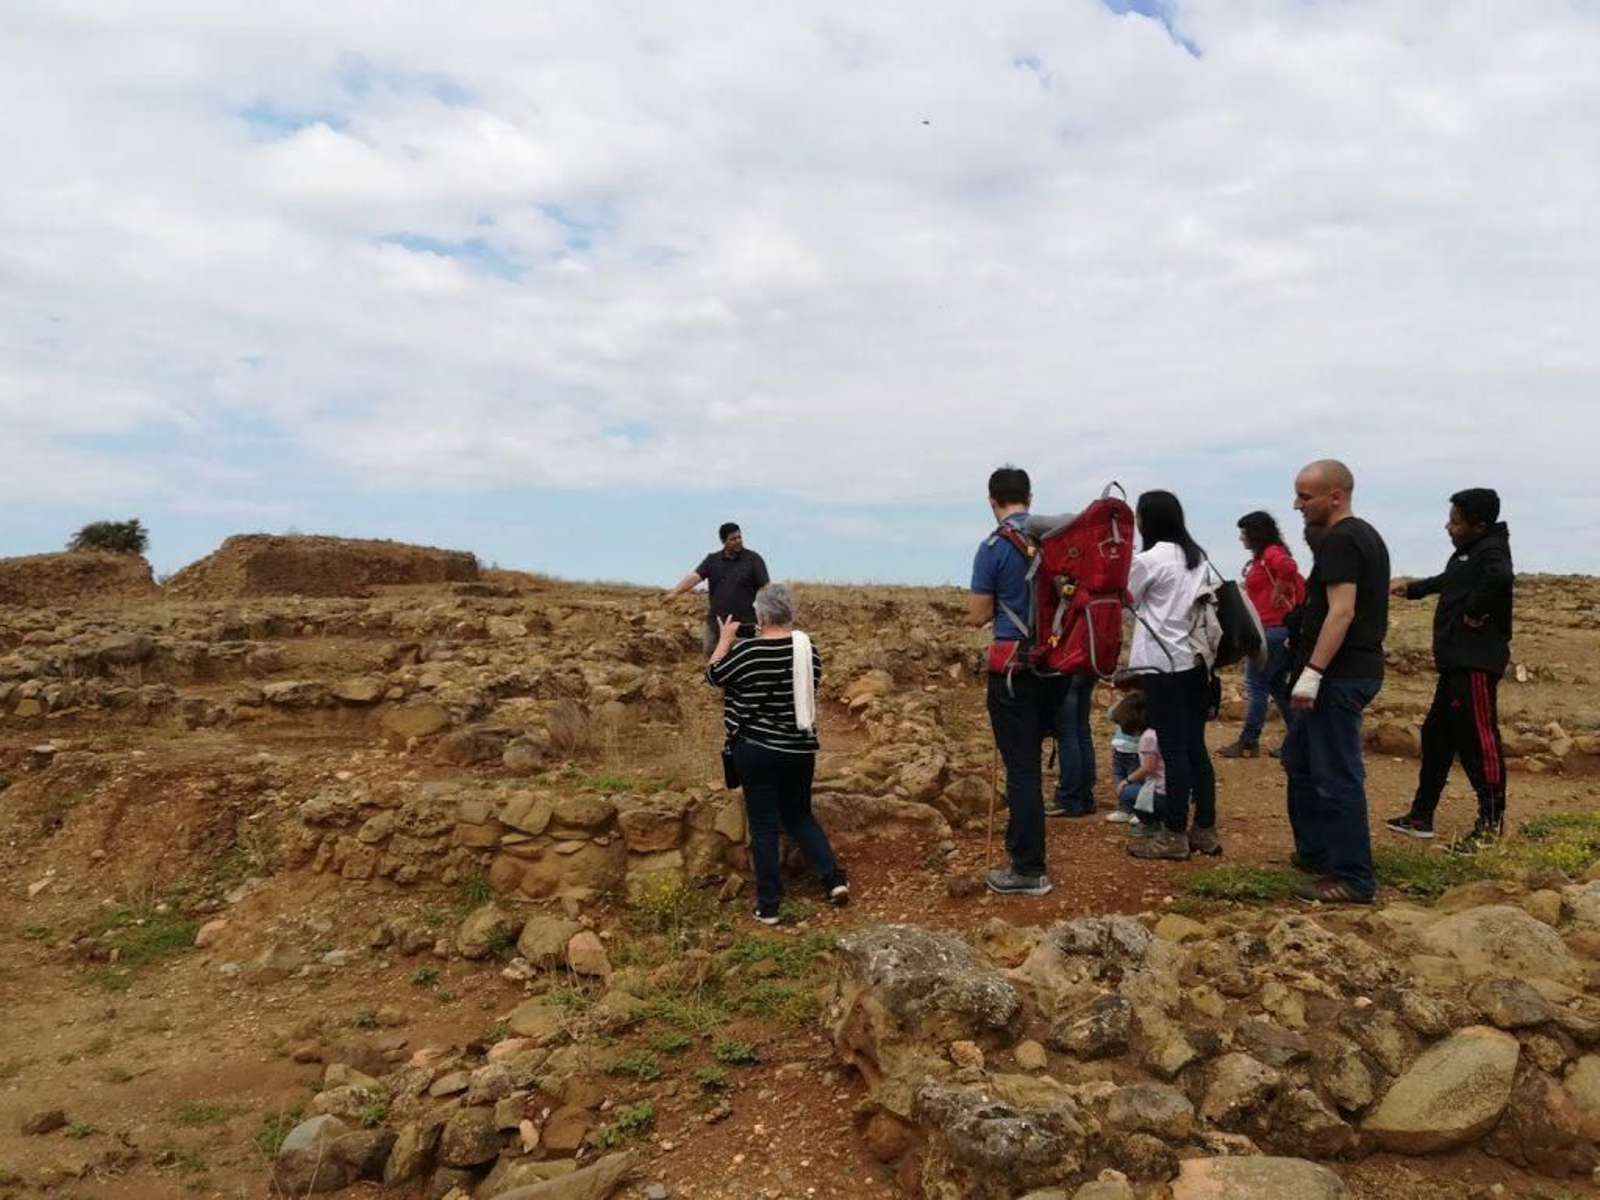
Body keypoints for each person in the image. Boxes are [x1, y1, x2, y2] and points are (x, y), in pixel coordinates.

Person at [705, 582, 847, 924]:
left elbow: (713, 676)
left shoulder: (748, 652)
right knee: (799, 815)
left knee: (765, 825)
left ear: (763, 616)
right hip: (799, 749)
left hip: (756, 750)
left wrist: (725, 640)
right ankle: (833, 879)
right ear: (790, 613)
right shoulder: (808, 651)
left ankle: (769, 905)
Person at [1283, 459, 1391, 904]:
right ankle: (1318, 853)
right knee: (1300, 759)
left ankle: (1352, 877)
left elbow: (1341, 611)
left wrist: (1313, 672)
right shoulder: (1364, 535)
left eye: (1305, 497)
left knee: (1335, 774)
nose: (1297, 505)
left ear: (1335, 496)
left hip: (1339, 675)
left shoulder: (1342, 539)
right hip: (1345, 671)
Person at [1385, 488, 1514, 853]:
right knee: (1436, 736)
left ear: (1479, 525)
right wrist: (1413, 590)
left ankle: (1490, 827)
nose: (1448, 527)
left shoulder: (1492, 550)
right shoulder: (1468, 553)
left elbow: (1500, 578)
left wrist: (1475, 611)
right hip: (1455, 663)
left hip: (1474, 663)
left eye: (1455, 522)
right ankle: (1421, 816)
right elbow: (1449, 581)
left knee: (1479, 741)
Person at [967, 465, 1067, 896]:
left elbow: (978, 615)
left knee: (1022, 769)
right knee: (1034, 765)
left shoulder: (993, 547)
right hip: (1057, 666)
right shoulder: (1057, 541)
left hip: (1013, 671)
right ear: (1030, 497)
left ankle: (1028, 868)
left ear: (992, 501)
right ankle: (1027, 854)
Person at [1125, 490, 1222, 861]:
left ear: (1147, 519)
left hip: (1162, 666)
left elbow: (1126, 603)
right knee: (1195, 747)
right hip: (1197, 665)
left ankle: (1173, 834)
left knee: (1174, 750)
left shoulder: (1149, 560)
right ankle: (1205, 829)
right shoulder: (1198, 558)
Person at [1219, 512, 1305, 760]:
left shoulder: (1271, 553)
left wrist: (1279, 590)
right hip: (1276, 630)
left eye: (1244, 532)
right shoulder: (1266, 556)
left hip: (1270, 630)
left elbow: (1288, 567)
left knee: (1256, 686)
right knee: (1276, 687)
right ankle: (1299, 741)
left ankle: (1249, 741)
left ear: (1255, 534)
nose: (1241, 538)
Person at [663, 523, 770, 656]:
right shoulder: (712, 560)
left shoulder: (753, 559)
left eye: (739, 537)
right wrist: (675, 592)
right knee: (711, 655)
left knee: (742, 659)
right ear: (723, 541)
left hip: (744, 625)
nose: (738, 541)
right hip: (715, 623)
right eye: (733, 539)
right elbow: (695, 577)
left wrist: (766, 617)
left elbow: (766, 589)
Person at [1108, 690, 1164, 829]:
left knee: (1127, 791)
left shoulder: (1147, 738)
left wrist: (1127, 781)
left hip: (1160, 791)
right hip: (1166, 788)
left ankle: (1148, 818)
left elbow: (1148, 767)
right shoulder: (1156, 731)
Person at [1104, 684, 1145, 824]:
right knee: (1119, 779)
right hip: (1119, 750)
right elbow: (1111, 715)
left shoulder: (1142, 703)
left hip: (1136, 752)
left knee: (1135, 781)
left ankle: (1140, 811)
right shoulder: (1124, 704)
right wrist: (1120, 700)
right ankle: (1125, 809)